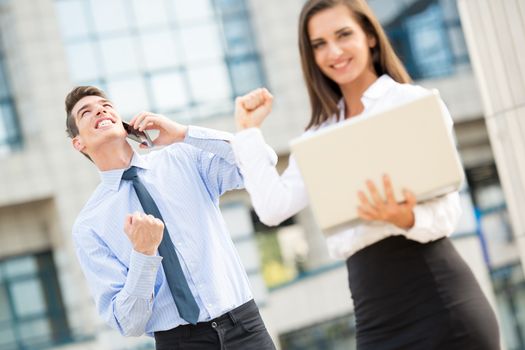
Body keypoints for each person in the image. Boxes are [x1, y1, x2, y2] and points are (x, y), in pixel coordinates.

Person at [230, 0, 500, 349]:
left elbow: (449, 212)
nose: (334, 52)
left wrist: (405, 216)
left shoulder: (410, 103)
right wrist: (248, 133)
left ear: (370, 36)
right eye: (319, 44)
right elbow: (272, 208)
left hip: (442, 303)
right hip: (376, 319)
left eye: (344, 35)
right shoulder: (319, 138)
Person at [66, 86, 275, 350]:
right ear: (78, 143)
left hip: (244, 328)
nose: (100, 110)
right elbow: (128, 323)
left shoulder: (183, 157)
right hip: (179, 343)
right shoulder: (89, 226)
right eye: (86, 112)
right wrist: (143, 254)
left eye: (106, 106)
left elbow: (260, 162)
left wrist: (184, 134)